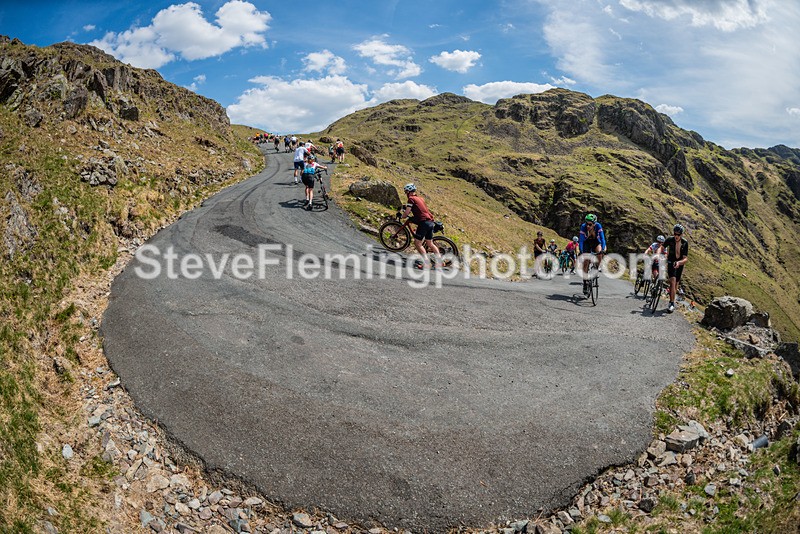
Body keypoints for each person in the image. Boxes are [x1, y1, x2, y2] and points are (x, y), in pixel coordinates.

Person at [400, 183, 441, 269]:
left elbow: (407, 212)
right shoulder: (420, 198)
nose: (405, 193)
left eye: (406, 192)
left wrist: (402, 216)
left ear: (408, 191)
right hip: (430, 222)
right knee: (430, 243)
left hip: (424, 222)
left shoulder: (411, 199)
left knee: (417, 243)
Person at [662, 224, 689, 313]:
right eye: (675, 234)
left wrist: (679, 263)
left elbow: (685, 258)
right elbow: (662, 248)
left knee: (676, 284)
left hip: (679, 263)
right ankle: (671, 303)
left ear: (681, 234)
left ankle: (672, 298)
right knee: (672, 281)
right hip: (671, 261)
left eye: (678, 234)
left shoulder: (685, 243)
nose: (676, 236)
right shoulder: (670, 239)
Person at [579, 213, 606, 295]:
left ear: (594, 224)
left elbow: (602, 238)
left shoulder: (598, 226)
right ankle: (585, 283)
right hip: (587, 242)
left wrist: (603, 249)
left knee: (600, 253)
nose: (588, 226)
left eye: (590, 224)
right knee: (586, 262)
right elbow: (581, 240)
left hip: (596, 242)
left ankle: (596, 269)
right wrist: (581, 250)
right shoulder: (583, 227)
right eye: (586, 224)